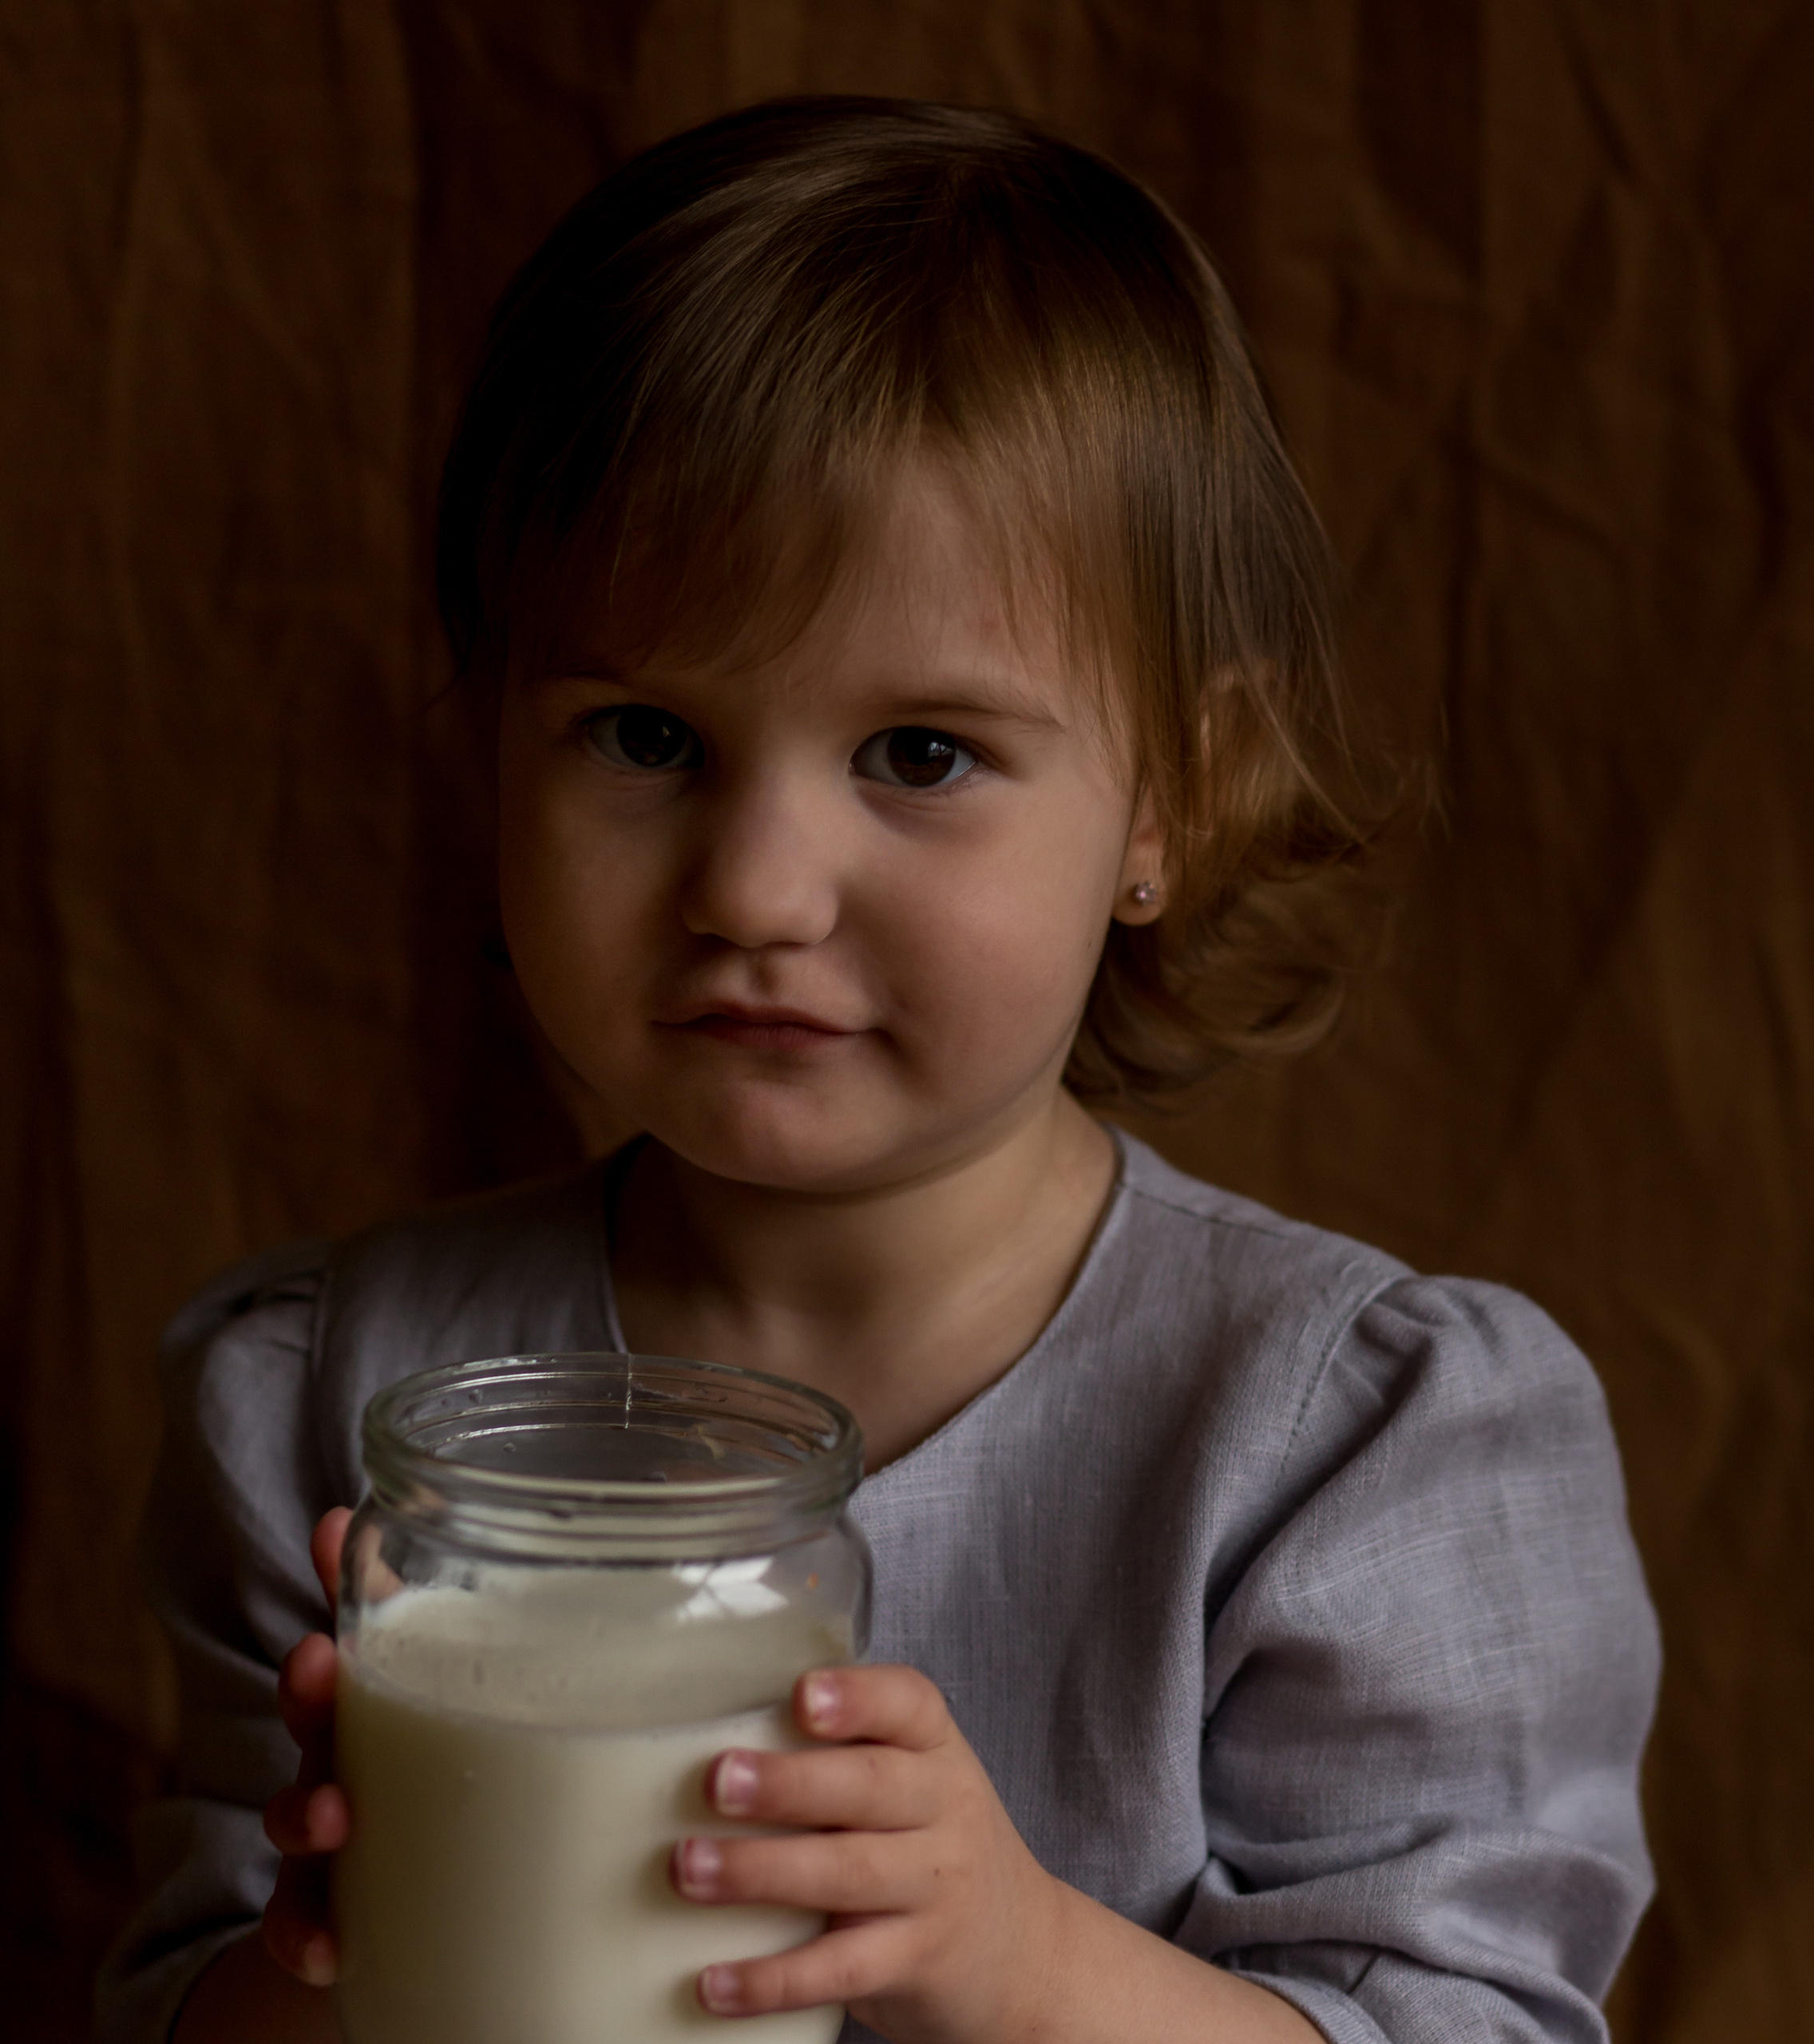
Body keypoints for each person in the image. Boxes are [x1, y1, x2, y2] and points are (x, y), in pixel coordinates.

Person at [98, 97, 1658, 2044]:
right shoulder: (330, 1402)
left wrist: (1012, 1955)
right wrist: (333, 1961)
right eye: (646, 735)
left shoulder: (1352, 1450)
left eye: (918, 752)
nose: (753, 888)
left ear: (1173, 788)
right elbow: (180, 2006)